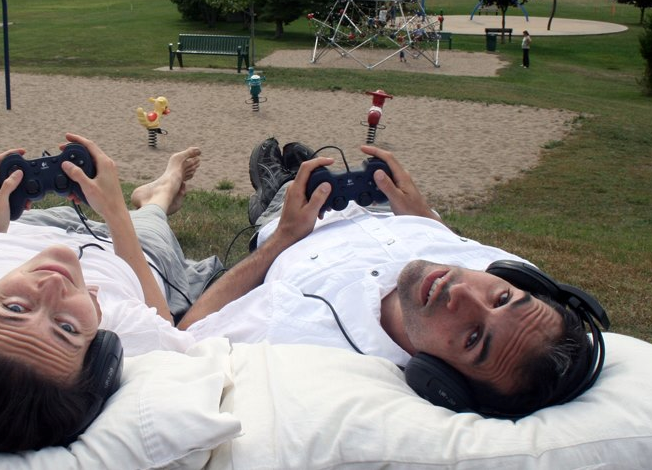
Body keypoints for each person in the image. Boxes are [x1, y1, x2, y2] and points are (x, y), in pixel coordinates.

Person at [177, 137, 603, 418]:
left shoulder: (302, 331)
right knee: (322, 170)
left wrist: (283, 238)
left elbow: (188, 331)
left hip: (297, 232)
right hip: (390, 214)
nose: (462, 294)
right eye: (503, 299)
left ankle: (273, 187)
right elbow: (471, 257)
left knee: (286, 188)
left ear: (442, 382)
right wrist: (426, 219)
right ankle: (300, 170)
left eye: (473, 338)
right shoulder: (501, 270)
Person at [0, 134, 219, 452]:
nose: (53, 285)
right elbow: (166, 323)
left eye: (15, 310)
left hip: (20, 231)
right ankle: (157, 194)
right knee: (151, 219)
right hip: (128, 251)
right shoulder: (130, 336)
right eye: (65, 328)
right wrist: (114, 212)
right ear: (97, 354)